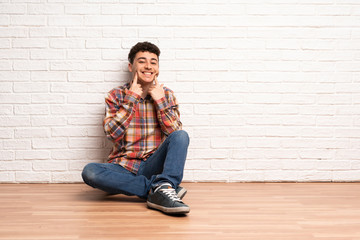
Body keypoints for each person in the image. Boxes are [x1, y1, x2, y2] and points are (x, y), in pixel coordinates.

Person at [81, 41, 190, 215]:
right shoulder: (116, 95)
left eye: (153, 62)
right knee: (90, 172)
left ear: (158, 68)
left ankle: (159, 185)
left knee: (182, 136)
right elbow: (112, 134)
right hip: (123, 166)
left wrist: (160, 102)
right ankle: (160, 188)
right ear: (131, 66)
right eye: (142, 61)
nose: (148, 66)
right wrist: (131, 98)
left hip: (153, 164)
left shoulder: (167, 95)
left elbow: (175, 135)